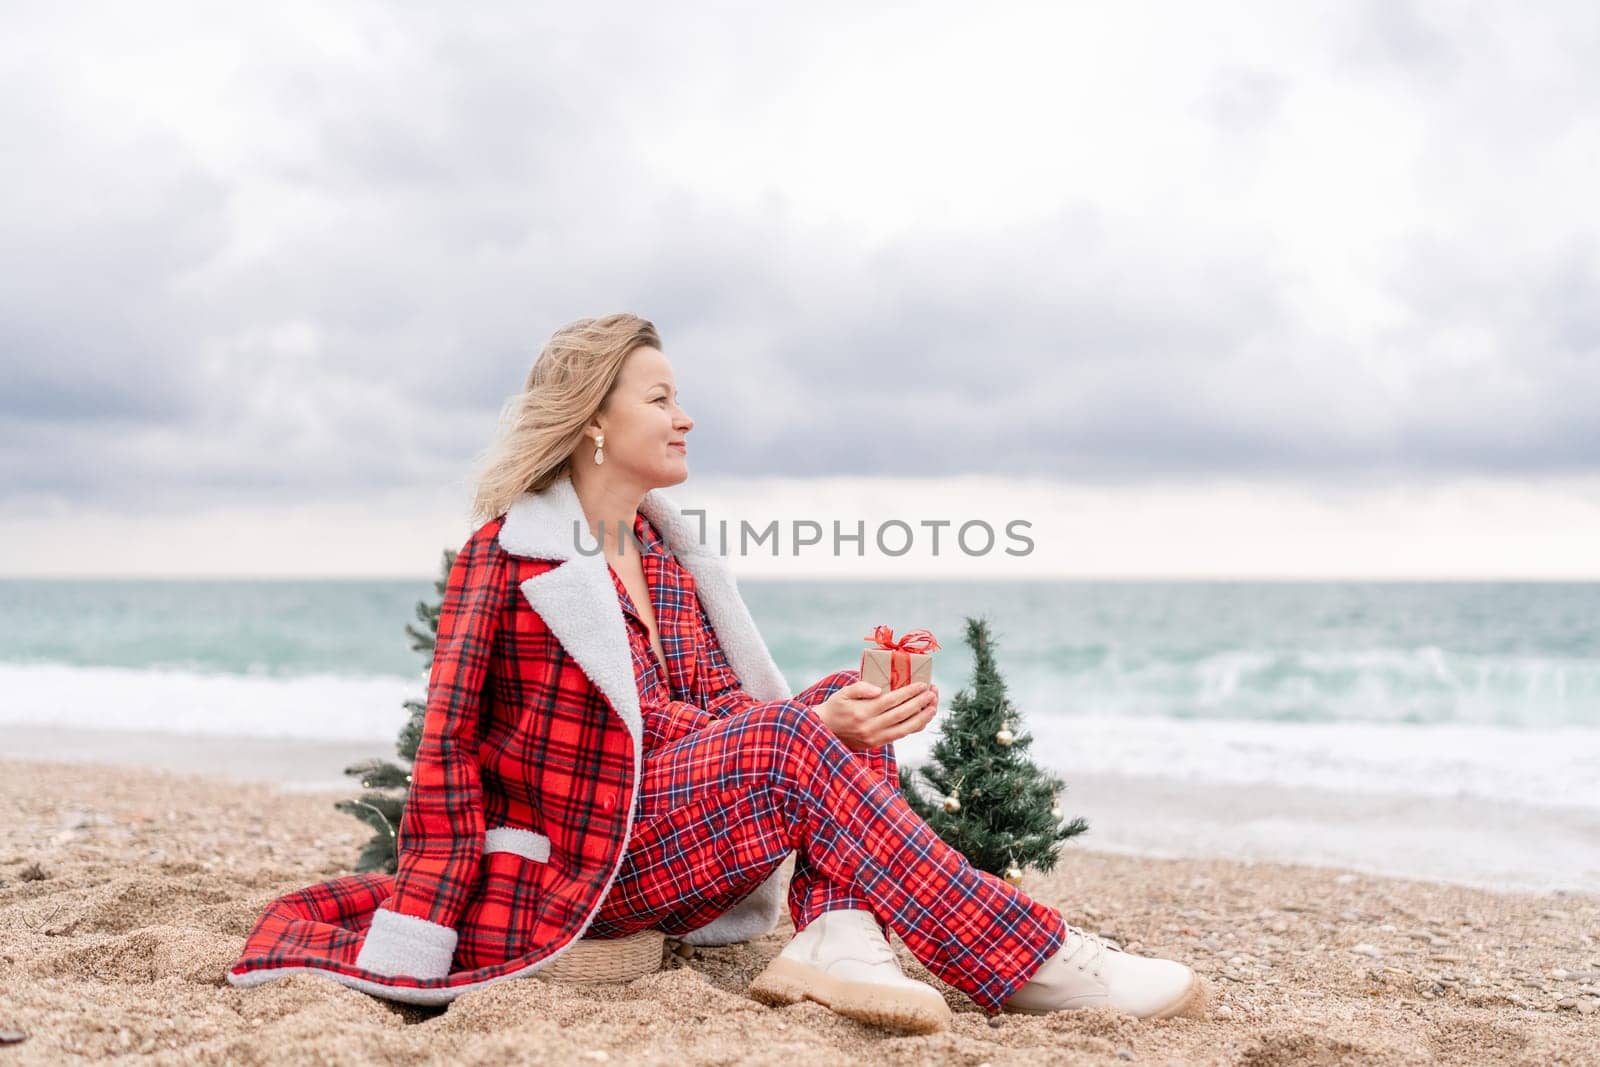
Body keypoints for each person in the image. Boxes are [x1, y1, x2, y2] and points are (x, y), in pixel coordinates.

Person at [227, 313, 1207, 1033]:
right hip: (585, 863)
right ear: (594, 420)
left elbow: (718, 713)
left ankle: (838, 931)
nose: (686, 417)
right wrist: (421, 934)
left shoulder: (663, 559)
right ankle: (1028, 953)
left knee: (827, 698)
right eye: (660, 397)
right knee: (801, 729)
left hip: (679, 842)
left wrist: (835, 722)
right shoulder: (508, 556)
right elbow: (444, 755)